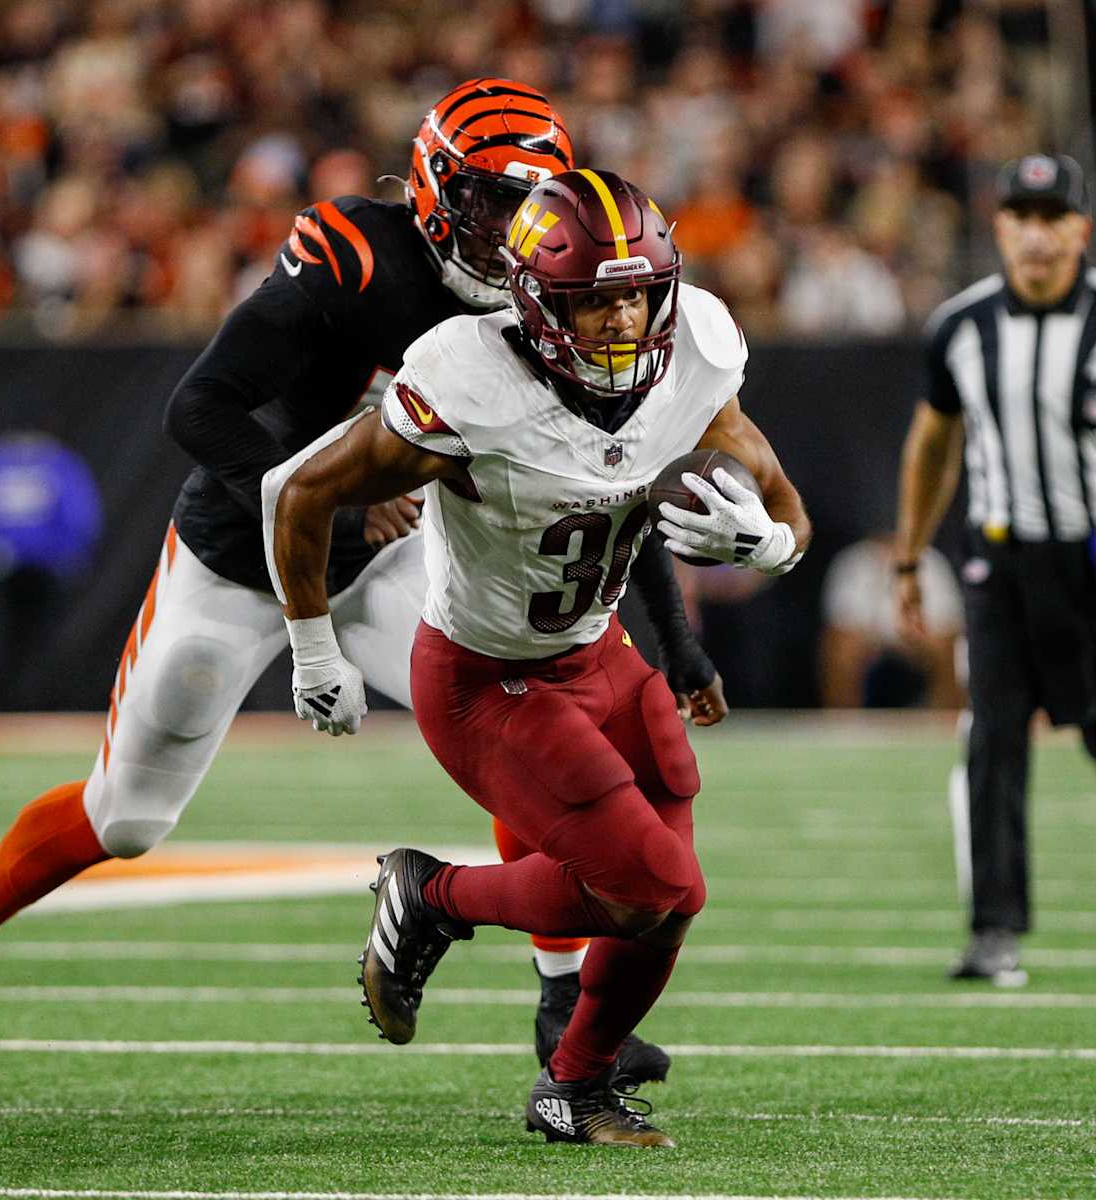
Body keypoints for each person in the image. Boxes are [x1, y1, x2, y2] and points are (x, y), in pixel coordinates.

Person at [0, 82, 720, 1082]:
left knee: (516, 692)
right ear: (437, 191)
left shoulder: (563, 294)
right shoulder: (358, 262)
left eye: (529, 202)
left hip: (393, 558)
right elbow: (199, 409)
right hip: (246, 555)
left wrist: (675, 640)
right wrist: (340, 503)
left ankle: (560, 1000)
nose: (513, 230)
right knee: (129, 818)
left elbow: (605, 475)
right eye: (493, 200)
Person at [267, 169, 810, 1147]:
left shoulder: (694, 355)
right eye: (594, 301)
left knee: (667, 880)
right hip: (483, 678)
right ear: (533, 301)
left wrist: (769, 545)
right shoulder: (468, 383)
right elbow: (301, 495)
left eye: (637, 294)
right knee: (655, 888)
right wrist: (314, 650)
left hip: (596, 650)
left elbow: (784, 501)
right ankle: (430, 894)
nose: (621, 320)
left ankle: (577, 1081)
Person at [893, 154, 1096, 985]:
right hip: (1002, 563)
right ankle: (995, 928)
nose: (1035, 235)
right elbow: (932, 444)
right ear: (999, 226)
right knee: (991, 741)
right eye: (1020, 217)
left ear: (1080, 228)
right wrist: (909, 554)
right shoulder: (961, 326)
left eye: (1051, 217)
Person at [819, 537, 964, 709]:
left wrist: (914, 639)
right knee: (841, 648)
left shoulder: (931, 561)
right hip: (871, 638)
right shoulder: (854, 561)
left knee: (949, 648)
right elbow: (841, 627)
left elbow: (946, 627)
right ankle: (844, 725)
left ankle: (945, 721)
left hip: (916, 637)